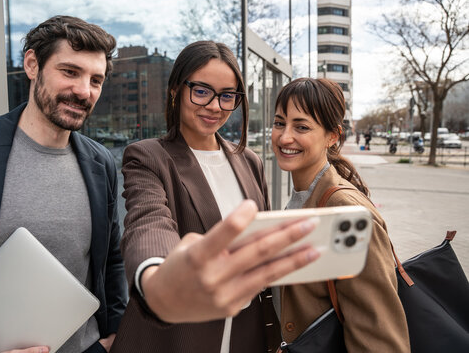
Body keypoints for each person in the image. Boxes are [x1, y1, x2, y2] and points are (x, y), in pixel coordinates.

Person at [0, 16, 127, 353]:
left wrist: (113, 337)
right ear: (32, 64)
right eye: (70, 72)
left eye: (96, 80)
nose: (84, 91)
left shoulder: (100, 162)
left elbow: (111, 261)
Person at [110, 41, 321, 353]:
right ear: (175, 90)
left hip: (245, 336)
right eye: (201, 91)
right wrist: (157, 279)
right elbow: (148, 221)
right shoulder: (149, 157)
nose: (214, 106)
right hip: (175, 339)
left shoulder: (249, 161)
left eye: (227, 96)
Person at [270, 78, 410, 351]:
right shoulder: (303, 195)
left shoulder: (344, 210)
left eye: (301, 126)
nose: (285, 137)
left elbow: (380, 337)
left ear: (332, 136)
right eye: (279, 123)